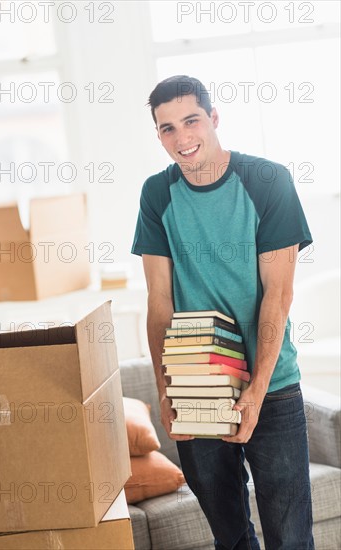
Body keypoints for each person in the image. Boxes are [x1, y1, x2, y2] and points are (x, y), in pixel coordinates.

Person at [131, 75, 314, 549]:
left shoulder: (267, 180)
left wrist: (254, 393)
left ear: (213, 119)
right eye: (167, 128)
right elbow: (159, 304)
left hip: (271, 388)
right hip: (197, 391)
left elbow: (279, 294)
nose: (182, 138)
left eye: (191, 121)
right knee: (229, 539)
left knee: (289, 539)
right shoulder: (157, 194)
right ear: (158, 135)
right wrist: (166, 390)